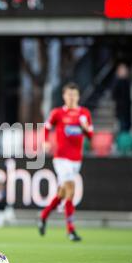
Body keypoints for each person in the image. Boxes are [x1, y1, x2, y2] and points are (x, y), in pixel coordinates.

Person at [38, 82, 94, 242]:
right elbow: (46, 127)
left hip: (76, 159)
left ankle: (43, 216)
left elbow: (90, 136)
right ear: (64, 96)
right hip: (61, 158)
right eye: (68, 95)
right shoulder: (57, 113)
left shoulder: (84, 114)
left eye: (74, 95)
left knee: (62, 193)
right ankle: (71, 230)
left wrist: (84, 128)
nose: (71, 98)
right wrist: (45, 141)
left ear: (78, 96)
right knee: (71, 189)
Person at [112, 63, 132, 132]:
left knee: (127, 126)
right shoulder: (117, 82)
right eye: (123, 70)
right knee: (122, 126)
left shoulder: (127, 82)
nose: (125, 72)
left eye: (125, 70)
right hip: (120, 109)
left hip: (127, 109)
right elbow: (114, 95)